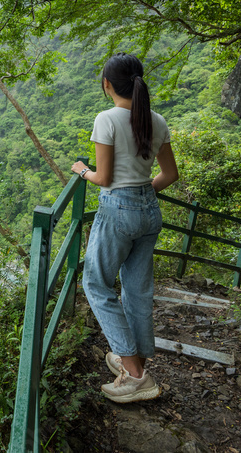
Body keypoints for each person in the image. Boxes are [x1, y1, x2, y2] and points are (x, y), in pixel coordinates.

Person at [71, 52, 178, 403]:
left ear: (107, 85)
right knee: (137, 289)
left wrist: (80, 171)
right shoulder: (157, 120)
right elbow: (170, 175)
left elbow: (102, 177)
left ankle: (134, 374)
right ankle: (133, 361)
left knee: (96, 282)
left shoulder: (107, 119)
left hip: (118, 208)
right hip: (149, 209)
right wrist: (142, 194)